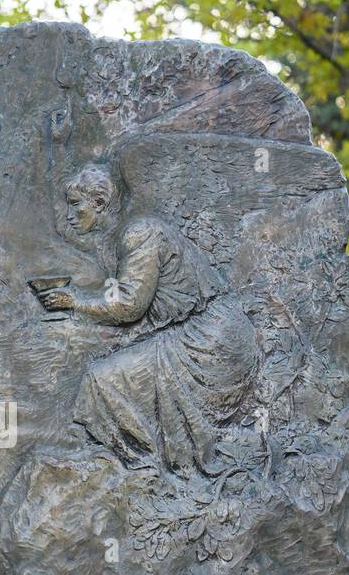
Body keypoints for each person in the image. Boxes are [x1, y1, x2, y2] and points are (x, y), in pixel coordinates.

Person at [36, 163, 260, 479]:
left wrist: (76, 302)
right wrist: (57, 141)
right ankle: (137, 459)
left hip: (212, 341)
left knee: (103, 378)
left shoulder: (139, 234)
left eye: (76, 205)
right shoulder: (116, 238)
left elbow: (129, 306)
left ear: (99, 204)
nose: (69, 214)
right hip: (194, 331)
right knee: (107, 369)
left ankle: (144, 463)